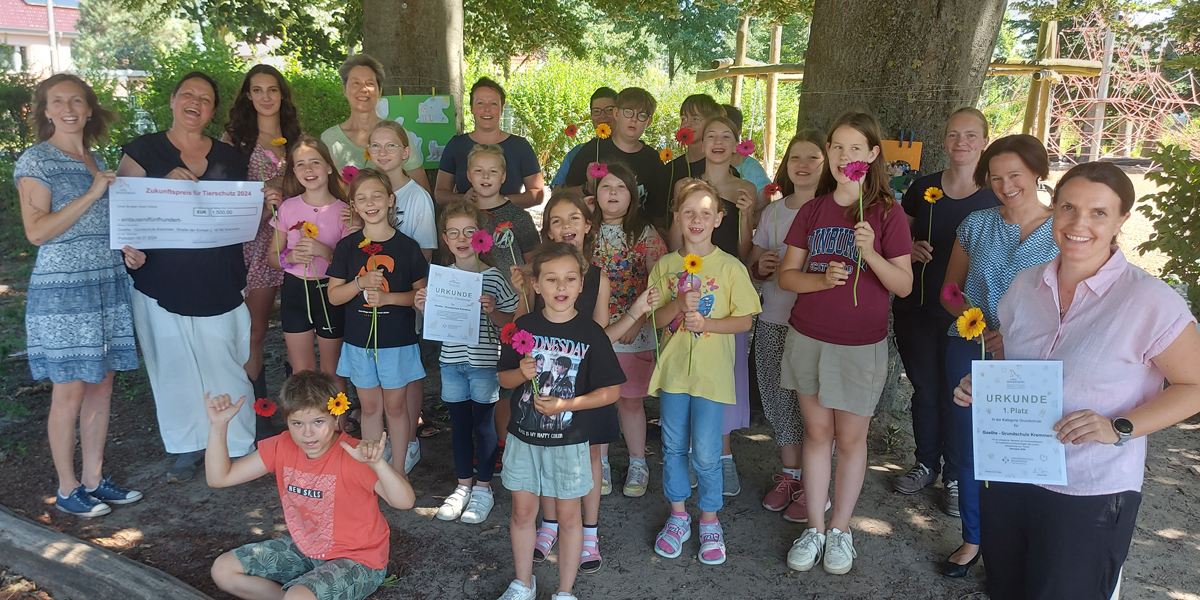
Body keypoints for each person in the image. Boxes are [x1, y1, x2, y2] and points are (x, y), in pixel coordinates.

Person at [953, 162, 1200, 599]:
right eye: (1068, 207)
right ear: (1053, 209)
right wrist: (986, 388)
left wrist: (1118, 427)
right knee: (1007, 588)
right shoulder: (1025, 286)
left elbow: (1193, 386)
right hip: (1012, 473)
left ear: (1123, 219)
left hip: (1089, 488)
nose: (1078, 224)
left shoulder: (1149, 301)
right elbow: (1016, 359)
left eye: (1098, 213)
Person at [778, 111, 914, 575]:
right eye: (837, 147)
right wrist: (820, 280)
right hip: (808, 338)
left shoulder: (887, 214)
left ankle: (840, 530)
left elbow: (903, 286)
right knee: (816, 434)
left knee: (851, 440)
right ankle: (813, 528)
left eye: (856, 148)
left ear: (873, 155)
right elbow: (787, 275)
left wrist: (870, 252)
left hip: (860, 346)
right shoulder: (813, 210)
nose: (845, 157)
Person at [117, 71, 257, 483]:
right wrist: (128, 248)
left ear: (214, 110)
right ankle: (187, 445)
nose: (196, 103)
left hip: (218, 277)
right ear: (173, 99)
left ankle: (237, 443)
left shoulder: (230, 157)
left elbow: (243, 216)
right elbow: (123, 213)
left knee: (225, 360)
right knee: (172, 364)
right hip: (159, 278)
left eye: (206, 99)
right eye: (189, 95)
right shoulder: (144, 151)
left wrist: (263, 204)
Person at [15, 74, 141, 517]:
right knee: (68, 392)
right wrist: (92, 193)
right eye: (58, 101)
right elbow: (37, 232)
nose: (68, 108)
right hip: (64, 292)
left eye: (77, 101)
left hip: (105, 283)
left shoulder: (94, 157)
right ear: (45, 111)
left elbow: (102, 223)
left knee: (101, 387)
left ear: (89, 109)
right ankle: (67, 489)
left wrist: (124, 246)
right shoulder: (37, 160)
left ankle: (93, 480)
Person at [512, 191, 657, 573]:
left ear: (587, 225)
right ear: (547, 230)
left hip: (586, 380)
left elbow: (599, 335)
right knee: (544, 449)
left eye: (573, 219)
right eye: (556, 221)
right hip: (545, 385)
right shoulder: (534, 273)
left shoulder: (597, 277)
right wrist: (518, 292)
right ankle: (550, 524)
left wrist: (636, 312)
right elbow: (520, 329)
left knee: (591, 455)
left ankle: (588, 531)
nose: (565, 228)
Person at [938, 133, 1058, 577]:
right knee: (971, 449)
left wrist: (1015, 335)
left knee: (1030, 450)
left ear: (1036, 174)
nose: (1006, 185)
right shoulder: (976, 224)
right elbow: (950, 290)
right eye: (996, 177)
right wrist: (980, 323)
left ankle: (1022, 542)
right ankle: (973, 539)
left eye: (1015, 175)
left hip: (1037, 358)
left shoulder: (1063, 230)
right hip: (972, 348)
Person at [206, 370, 416, 600]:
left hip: (358, 560)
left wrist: (378, 464)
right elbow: (220, 478)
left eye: (318, 421)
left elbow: (405, 502)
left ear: (335, 417)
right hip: (306, 549)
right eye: (297, 423)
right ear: (287, 421)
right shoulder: (282, 445)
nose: (307, 434)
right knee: (224, 569)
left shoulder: (353, 453)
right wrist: (219, 425)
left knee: (297, 597)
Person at [494, 242, 626, 600]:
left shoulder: (591, 333)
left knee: (569, 518)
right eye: (551, 279)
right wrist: (520, 373)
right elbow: (502, 379)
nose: (561, 287)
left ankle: (565, 590)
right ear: (535, 285)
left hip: (569, 442)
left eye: (570, 279)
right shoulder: (522, 326)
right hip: (524, 438)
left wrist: (569, 402)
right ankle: (523, 583)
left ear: (582, 284)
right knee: (523, 512)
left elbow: (611, 391)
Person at [890, 107, 998, 519]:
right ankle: (924, 464)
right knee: (926, 390)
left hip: (967, 318)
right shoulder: (923, 188)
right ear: (943, 141)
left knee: (960, 396)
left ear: (984, 142)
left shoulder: (993, 196)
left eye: (970, 136)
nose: (961, 144)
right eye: (953, 135)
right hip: (916, 307)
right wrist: (910, 250)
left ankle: (955, 477)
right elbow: (898, 236)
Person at [648, 179, 761, 566]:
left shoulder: (730, 267)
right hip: (675, 376)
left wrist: (708, 324)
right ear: (677, 217)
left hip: (712, 379)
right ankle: (679, 516)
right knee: (674, 448)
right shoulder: (665, 266)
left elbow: (745, 321)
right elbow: (657, 321)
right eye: (689, 212)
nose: (697, 219)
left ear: (718, 219)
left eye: (706, 213)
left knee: (709, 454)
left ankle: (709, 521)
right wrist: (678, 304)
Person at [667, 115, 756, 495]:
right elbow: (675, 244)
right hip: (689, 281)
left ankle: (721, 457)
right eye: (710, 136)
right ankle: (688, 455)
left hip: (727, 286)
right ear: (699, 144)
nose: (718, 142)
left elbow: (748, 250)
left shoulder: (746, 186)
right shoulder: (685, 185)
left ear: (738, 143)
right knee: (688, 376)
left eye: (726, 136)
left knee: (725, 377)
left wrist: (749, 211)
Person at [416, 201, 518, 525]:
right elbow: (434, 322)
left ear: (481, 237)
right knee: (459, 425)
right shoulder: (441, 279)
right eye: (454, 233)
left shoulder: (494, 277)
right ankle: (463, 487)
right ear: (445, 239)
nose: (462, 238)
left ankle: (484, 489)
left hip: (485, 362)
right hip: (451, 362)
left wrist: (494, 311)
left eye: (469, 232)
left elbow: (511, 321)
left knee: (484, 426)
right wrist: (422, 305)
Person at [326, 169, 429, 474]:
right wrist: (359, 283)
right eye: (362, 198)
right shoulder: (347, 247)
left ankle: (398, 471)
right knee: (370, 407)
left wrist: (387, 299)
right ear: (353, 206)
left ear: (390, 200)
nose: (370, 203)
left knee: (395, 407)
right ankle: (375, 473)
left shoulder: (408, 247)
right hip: (359, 343)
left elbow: (420, 296)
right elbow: (334, 296)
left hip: (397, 342)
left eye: (377, 195)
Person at [748, 130, 826, 522]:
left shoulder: (835, 210)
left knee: (813, 408)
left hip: (817, 328)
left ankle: (817, 484)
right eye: (796, 157)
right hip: (774, 318)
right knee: (779, 404)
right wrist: (759, 267)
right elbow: (755, 265)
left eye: (813, 157)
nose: (804, 165)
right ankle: (790, 477)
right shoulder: (773, 213)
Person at [223, 64, 302, 415]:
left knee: (299, 325)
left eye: (272, 90)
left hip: (297, 238)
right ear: (248, 96)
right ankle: (256, 409)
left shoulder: (297, 137)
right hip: (252, 241)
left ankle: (298, 406)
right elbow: (223, 192)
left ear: (282, 94)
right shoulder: (235, 140)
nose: (265, 97)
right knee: (254, 327)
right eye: (257, 90)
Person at [592, 164, 668, 499]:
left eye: (621, 187)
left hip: (634, 333)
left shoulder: (646, 235)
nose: (612, 193)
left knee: (631, 401)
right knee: (600, 401)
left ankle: (639, 462)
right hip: (596, 333)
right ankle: (601, 463)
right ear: (594, 194)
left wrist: (637, 321)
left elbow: (659, 281)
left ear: (633, 196)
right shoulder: (585, 232)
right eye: (606, 186)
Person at [267, 136, 352, 394]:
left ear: (328, 167)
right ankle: (308, 429)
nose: (308, 170)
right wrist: (289, 258)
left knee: (332, 370)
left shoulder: (344, 211)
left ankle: (337, 428)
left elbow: (350, 264)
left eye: (315, 162)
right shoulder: (288, 208)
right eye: (301, 164)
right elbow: (273, 257)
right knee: (301, 371)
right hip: (295, 292)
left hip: (330, 292)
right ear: (294, 171)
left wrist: (324, 251)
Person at [320, 54, 430, 193]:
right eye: (356, 83)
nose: (364, 89)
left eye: (370, 83)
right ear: (344, 90)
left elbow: (422, 191)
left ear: (379, 91)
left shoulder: (397, 133)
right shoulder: (329, 139)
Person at [436, 77, 546, 209]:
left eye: (493, 103)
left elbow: (537, 194)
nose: (487, 109)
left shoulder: (520, 147)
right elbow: (440, 194)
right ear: (471, 108)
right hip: (467, 224)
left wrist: (500, 201)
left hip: (508, 225)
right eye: (481, 103)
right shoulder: (456, 145)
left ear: (501, 109)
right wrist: (463, 199)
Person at [562, 87, 665, 218]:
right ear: (616, 113)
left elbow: (658, 210)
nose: (634, 119)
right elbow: (564, 195)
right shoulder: (593, 150)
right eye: (628, 112)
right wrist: (588, 187)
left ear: (648, 122)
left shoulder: (652, 160)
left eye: (642, 115)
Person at [366, 120, 437, 261]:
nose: (382, 152)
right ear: (369, 151)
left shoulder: (418, 197)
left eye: (391, 145)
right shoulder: (364, 194)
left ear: (405, 152)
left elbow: (426, 252)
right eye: (376, 146)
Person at [469, 144, 541, 279]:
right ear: (469, 176)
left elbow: (533, 263)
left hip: (513, 297)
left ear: (503, 177)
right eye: (478, 170)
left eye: (493, 171)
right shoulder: (463, 215)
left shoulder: (519, 217)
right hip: (472, 295)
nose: (486, 176)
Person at [657, 94, 725, 231]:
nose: (687, 123)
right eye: (684, 118)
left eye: (695, 119)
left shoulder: (720, 168)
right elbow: (659, 215)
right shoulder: (670, 170)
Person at [551, 87, 617, 190]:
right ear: (591, 115)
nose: (603, 116)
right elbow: (557, 193)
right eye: (596, 111)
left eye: (609, 110)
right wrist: (587, 188)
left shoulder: (631, 149)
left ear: (618, 113)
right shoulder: (578, 152)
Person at [721, 104, 772, 193]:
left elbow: (764, 202)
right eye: (711, 134)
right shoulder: (701, 164)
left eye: (725, 134)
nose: (718, 141)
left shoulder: (755, 171)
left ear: (738, 133)